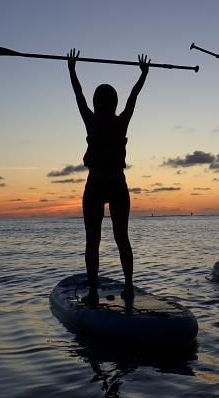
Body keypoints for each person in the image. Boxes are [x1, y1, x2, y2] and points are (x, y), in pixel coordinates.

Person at [67, 48, 150, 301]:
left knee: (95, 239)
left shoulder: (93, 121)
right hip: (114, 184)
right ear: (113, 103)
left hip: (100, 184)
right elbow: (133, 97)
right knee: (118, 237)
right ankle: (126, 286)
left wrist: (72, 70)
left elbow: (79, 95)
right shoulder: (120, 121)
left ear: (99, 103)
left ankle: (96, 289)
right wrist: (143, 75)